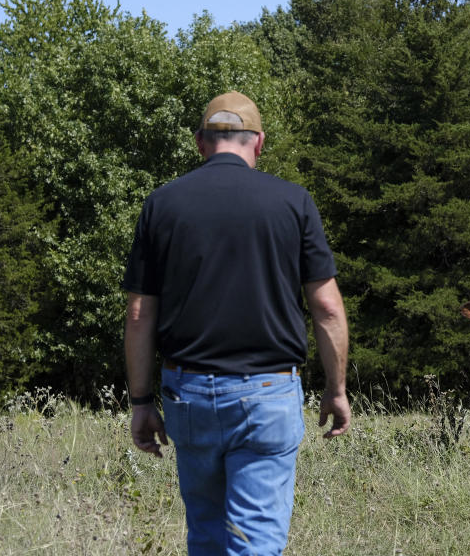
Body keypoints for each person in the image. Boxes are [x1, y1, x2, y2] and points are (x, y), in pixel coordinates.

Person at [121, 90, 350, 556]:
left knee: (206, 537)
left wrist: (142, 400)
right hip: (268, 394)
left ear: (201, 143)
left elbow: (140, 314)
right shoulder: (294, 202)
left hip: (188, 396)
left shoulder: (162, 204)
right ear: (259, 143)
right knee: (256, 542)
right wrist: (336, 388)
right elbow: (326, 308)